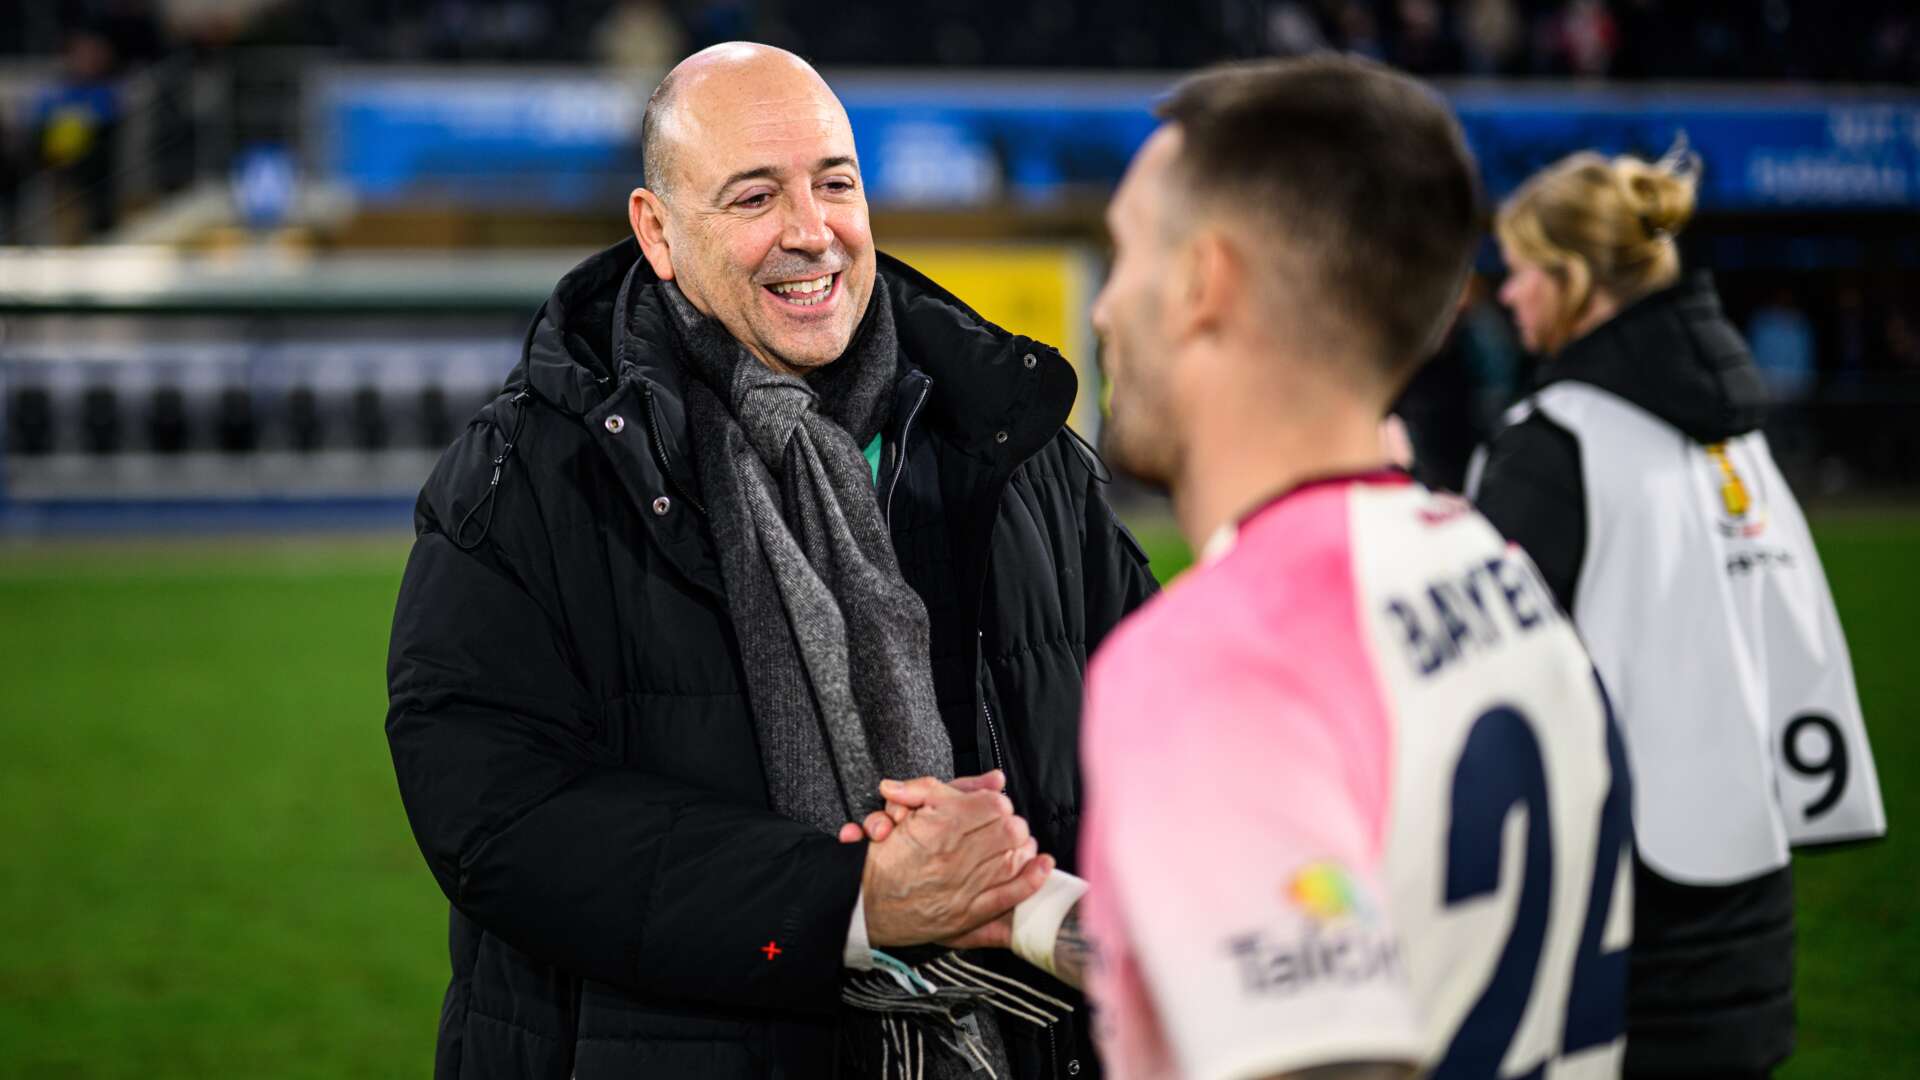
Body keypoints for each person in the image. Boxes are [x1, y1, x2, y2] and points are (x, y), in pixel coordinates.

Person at [385, 42, 1155, 1080]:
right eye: (753, 198)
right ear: (657, 233)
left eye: (835, 184)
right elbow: (494, 815)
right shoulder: (526, 475)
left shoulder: (1020, 454)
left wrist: (1038, 898)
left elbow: (1155, 747)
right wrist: (848, 899)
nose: (811, 232)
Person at [863, 55, 1631, 1079]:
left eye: (1128, 253)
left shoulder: (1221, 657)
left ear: (1203, 282)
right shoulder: (1496, 571)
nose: (1102, 309)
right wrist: (1026, 902)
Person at [1470, 146, 1886, 1078]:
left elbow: (1473, 679)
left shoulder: (1556, 445)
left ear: (1574, 280)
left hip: (1618, 920)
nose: (1509, 296)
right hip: (1748, 894)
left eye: (1523, 269)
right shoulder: (1737, 439)